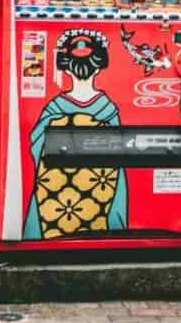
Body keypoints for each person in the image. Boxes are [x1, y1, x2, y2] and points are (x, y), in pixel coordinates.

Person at [23, 28, 128, 240]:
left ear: (65, 69)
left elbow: (35, 145)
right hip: (100, 201)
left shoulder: (54, 107)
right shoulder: (108, 108)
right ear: (99, 67)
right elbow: (121, 157)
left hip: (53, 205)